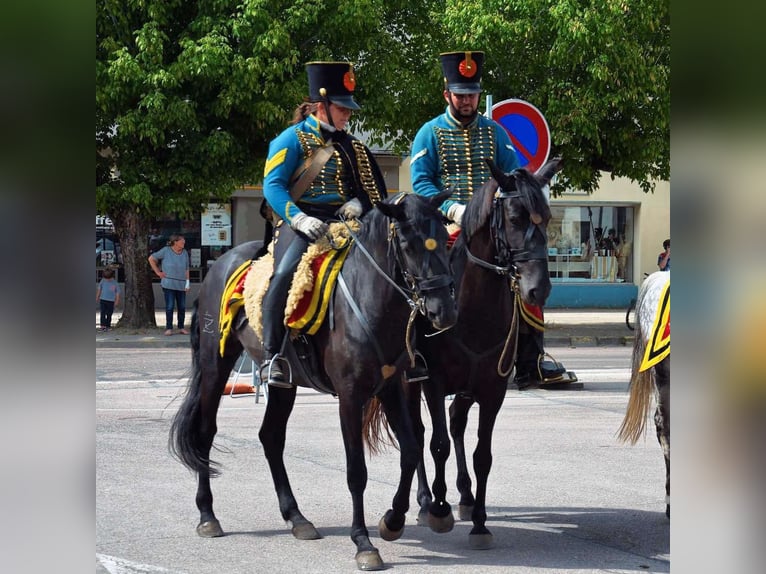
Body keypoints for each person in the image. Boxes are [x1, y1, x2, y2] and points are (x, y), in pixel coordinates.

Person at [410, 50, 576, 390]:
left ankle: (532, 359)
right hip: (448, 222)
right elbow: (421, 182)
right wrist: (454, 209)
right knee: (421, 275)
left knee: (526, 269)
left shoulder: (495, 132)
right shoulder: (429, 133)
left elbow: (515, 175)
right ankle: (413, 352)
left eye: (472, 95)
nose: (468, 101)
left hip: (492, 223)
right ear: (447, 95)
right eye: (461, 95)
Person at [260, 61, 387, 387]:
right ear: (321, 107)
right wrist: (298, 218)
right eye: (342, 108)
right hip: (301, 221)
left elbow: (369, 189)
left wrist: (359, 203)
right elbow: (273, 186)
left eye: (348, 109)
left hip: (344, 223)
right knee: (285, 275)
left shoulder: (352, 146)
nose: (348, 115)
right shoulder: (290, 139)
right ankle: (273, 355)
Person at [148, 234, 191, 335]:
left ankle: (181, 327)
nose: (183, 242)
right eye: (182, 241)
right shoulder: (166, 250)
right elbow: (151, 259)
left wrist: (188, 282)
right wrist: (158, 272)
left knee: (182, 307)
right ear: (175, 242)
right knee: (170, 306)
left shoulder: (184, 252)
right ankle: (169, 328)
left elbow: (186, 268)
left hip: (181, 283)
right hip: (168, 283)